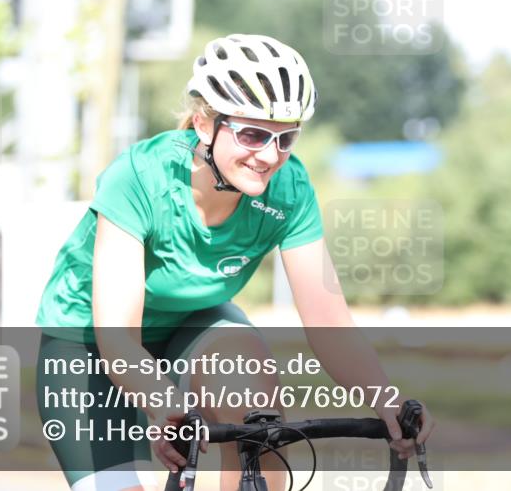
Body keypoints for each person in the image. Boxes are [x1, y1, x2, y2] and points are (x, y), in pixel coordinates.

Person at [36, 34, 434, 491]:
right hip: (87, 341)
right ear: (205, 124)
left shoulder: (290, 191)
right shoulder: (140, 177)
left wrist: (388, 401)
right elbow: (119, 338)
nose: (269, 156)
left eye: (286, 138)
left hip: (192, 322)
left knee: (255, 409)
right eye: (252, 134)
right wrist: (165, 403)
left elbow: (328, 320)